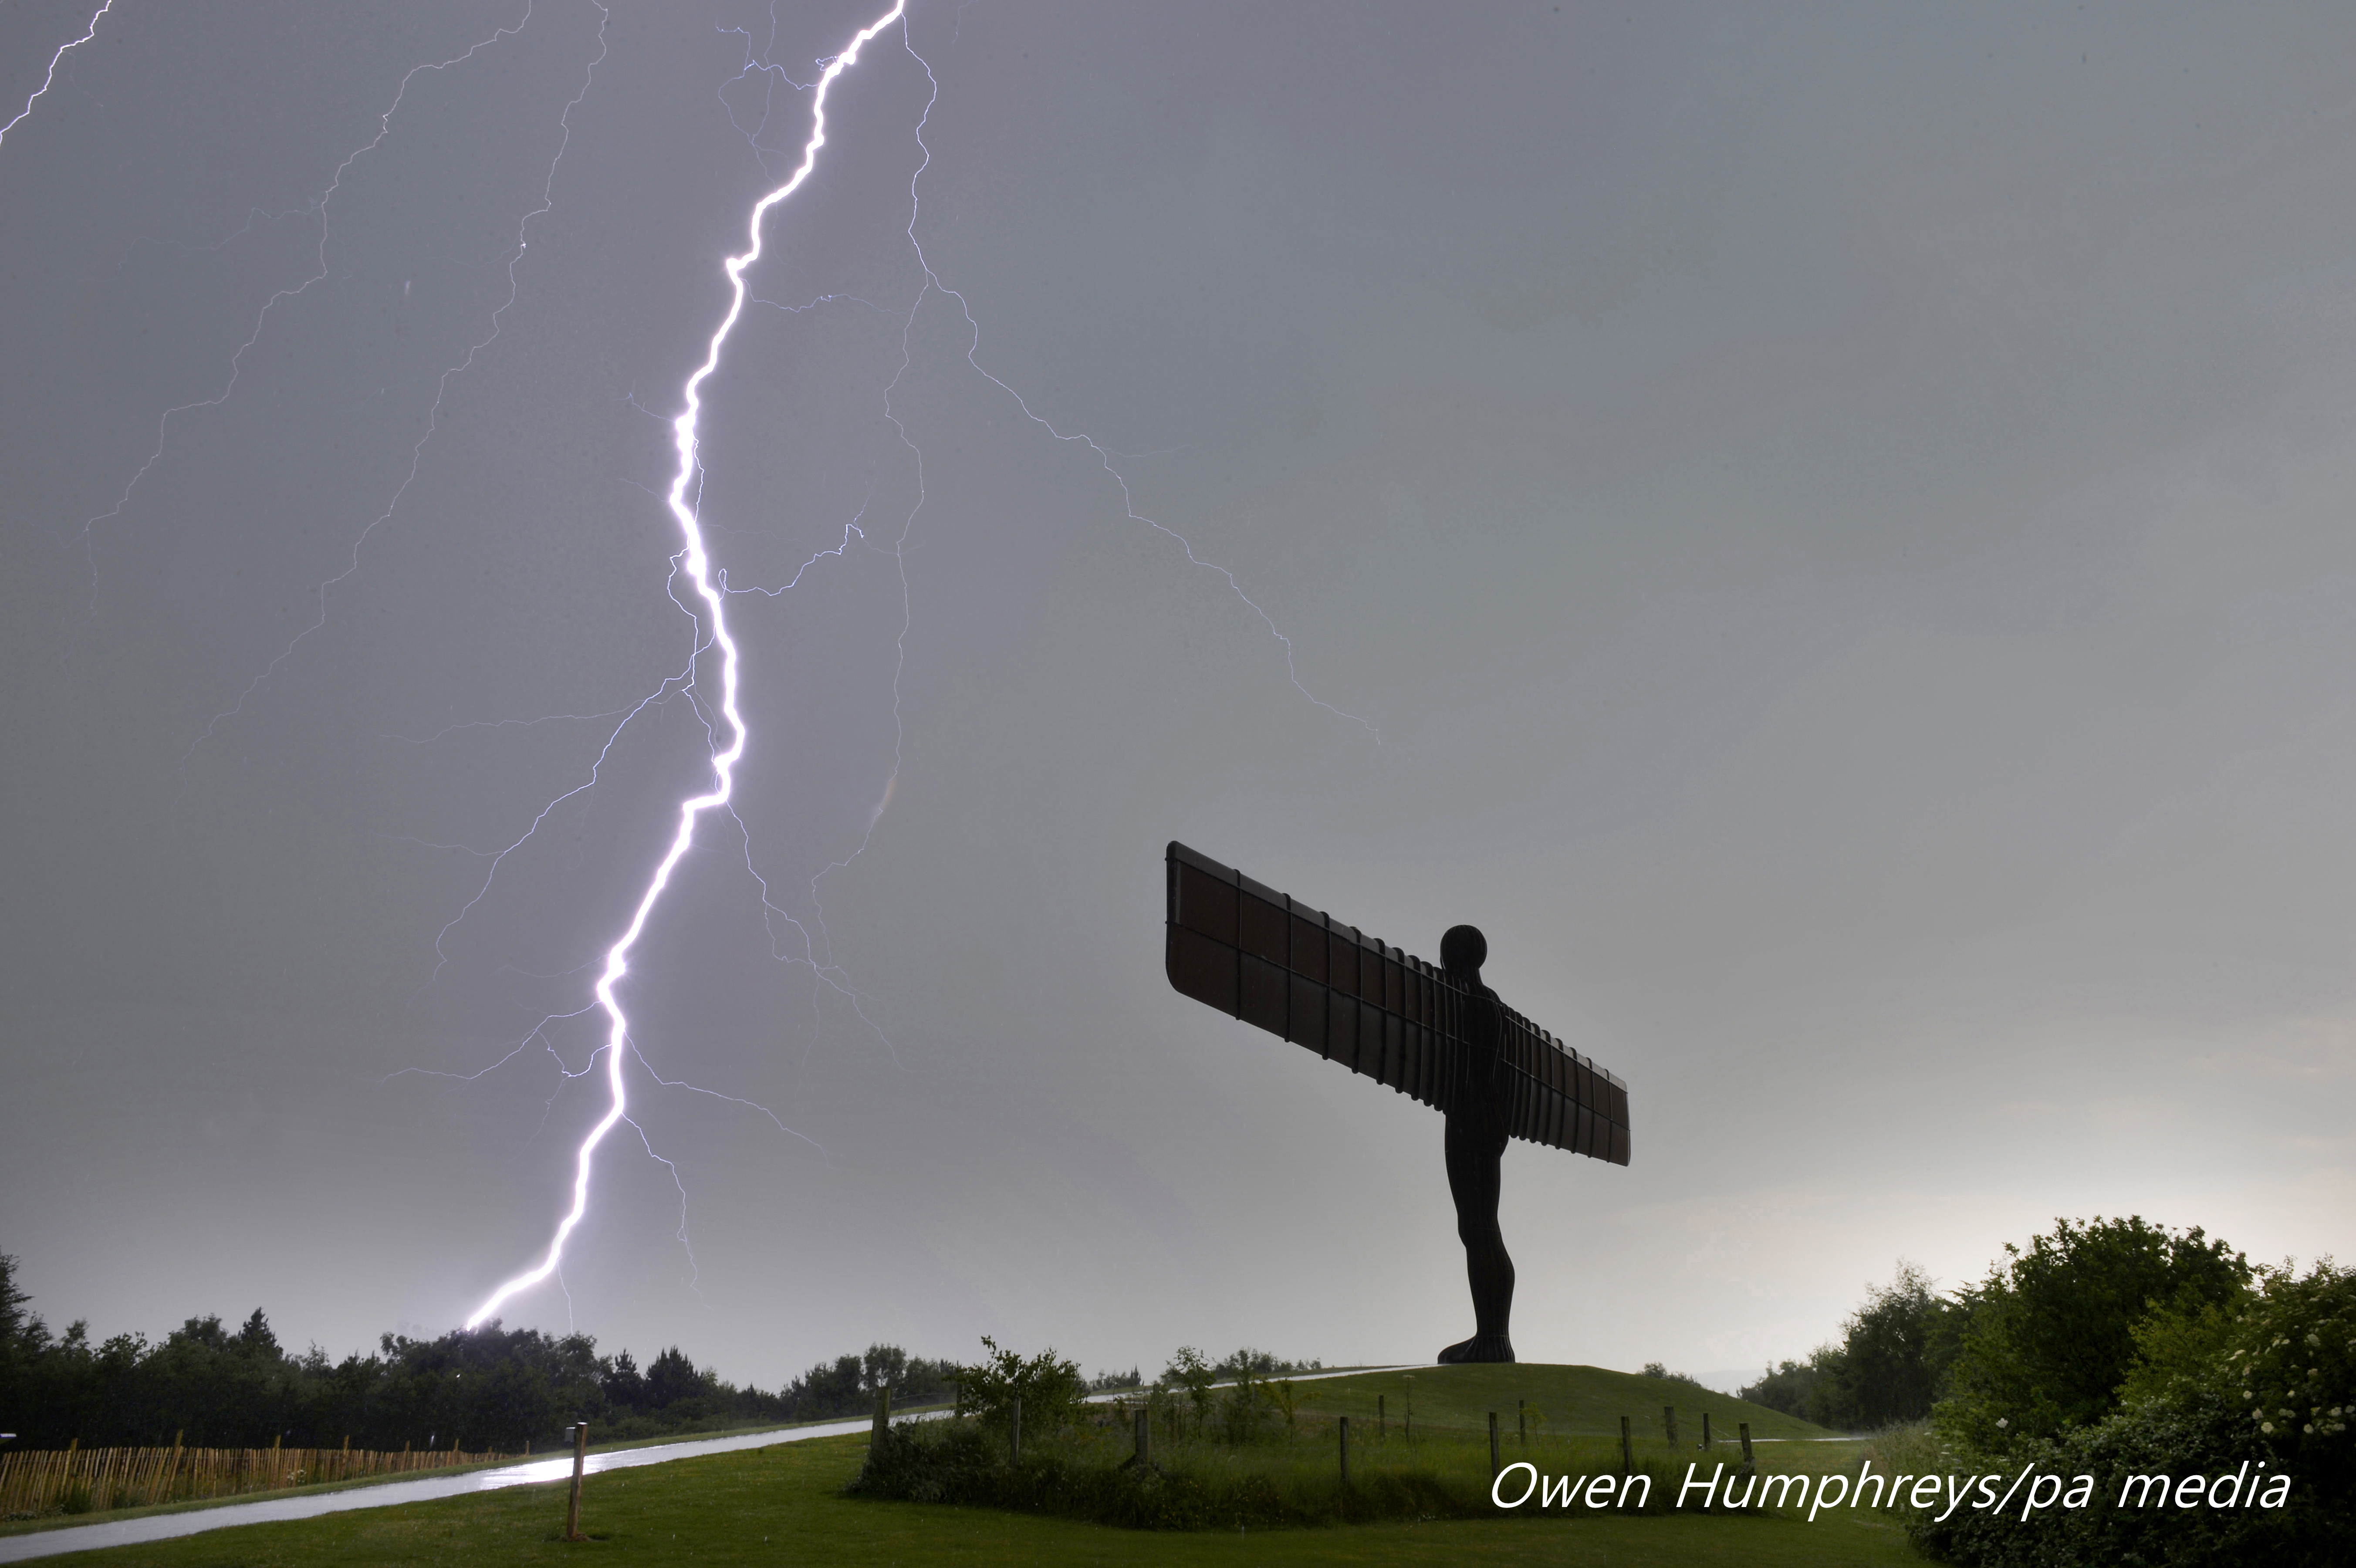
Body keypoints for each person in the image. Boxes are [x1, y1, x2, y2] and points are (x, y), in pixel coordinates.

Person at [1436, 923, 1514, 1364]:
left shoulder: (1458, 1001)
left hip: (1469, 1115)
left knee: (1478, 1227)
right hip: (1490, 1116)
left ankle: (1492, 1339)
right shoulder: (1492, 1002)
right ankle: (1493, 1336)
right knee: (1484, 1225)